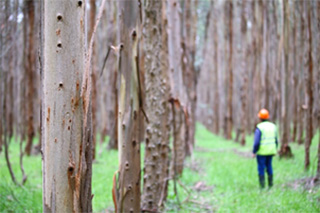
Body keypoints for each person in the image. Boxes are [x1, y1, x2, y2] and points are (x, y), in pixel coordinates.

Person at [252, 109, 278, 189]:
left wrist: (254, 151)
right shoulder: (273, 126)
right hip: (271, 151)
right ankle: (270, 185)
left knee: (261, 168)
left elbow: (256, 142)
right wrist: (275, 148)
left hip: (262, 152)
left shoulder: (259, 127)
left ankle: (262, 186)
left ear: (260, 118)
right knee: (269, 166)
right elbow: (276, 140)